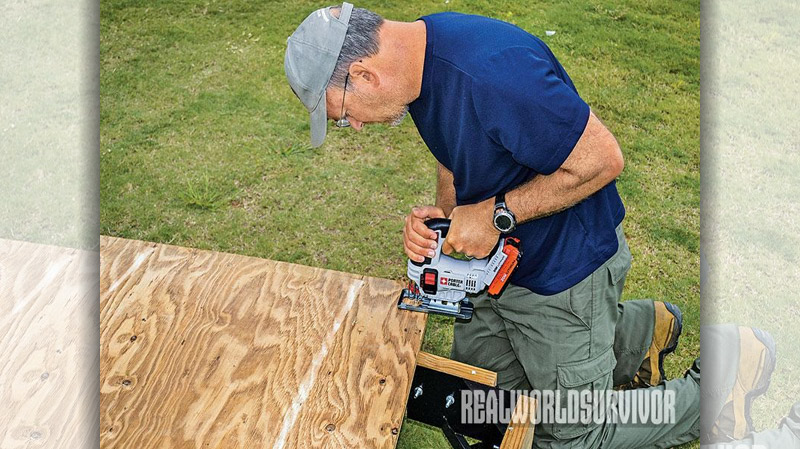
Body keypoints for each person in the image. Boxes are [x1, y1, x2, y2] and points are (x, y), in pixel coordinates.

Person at [284, 3, 700, 447]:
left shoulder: (494, 75)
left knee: (571, 433)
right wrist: (448, 218)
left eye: (345, 114)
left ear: (365, 75)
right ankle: (642, 330)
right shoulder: (418, 67)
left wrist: (496, 215)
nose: (358, 125)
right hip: (494, 270)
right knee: (487, 409)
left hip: (565, 268)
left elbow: (602, 160)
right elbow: (452, 154)